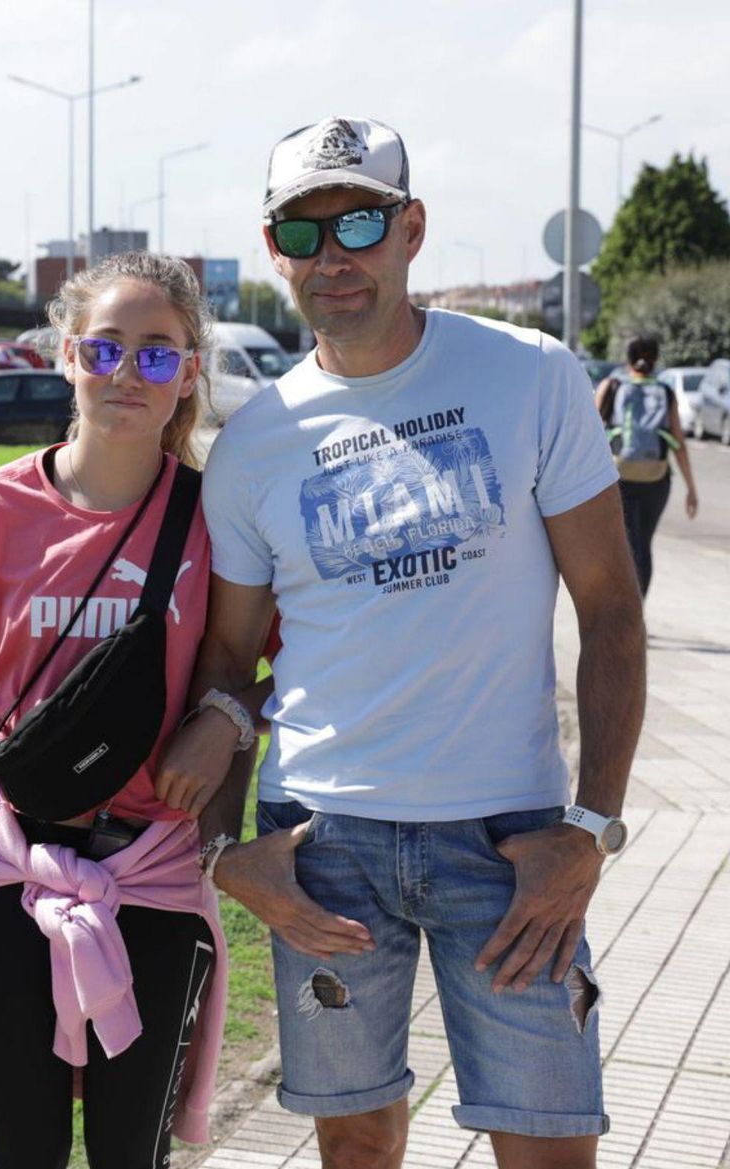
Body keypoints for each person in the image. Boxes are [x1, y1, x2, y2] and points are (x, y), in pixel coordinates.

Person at [156, 115, 647, 1169]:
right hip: (323, 845)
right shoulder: (254, 446)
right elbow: (228, 668)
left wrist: (591, 827)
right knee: (358, 1144)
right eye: (303, 233)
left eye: (362, 221)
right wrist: (228, 853)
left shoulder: (532, 375)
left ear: (412, 228)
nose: (333, 257)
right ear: (274, 246)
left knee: (549, 1144)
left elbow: (610, 606)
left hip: (510, 845)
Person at [0, 252, 229, 1169]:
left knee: (133, 1154)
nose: (129, 373)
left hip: (155, 877)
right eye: (107, 349)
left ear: (189, 373)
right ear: (67, 356)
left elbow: (272, 664)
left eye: (159, 355)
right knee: (23, 1151)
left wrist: (230, 717)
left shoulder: (217, 519)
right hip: (10, 876)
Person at [595, 335, 699, 595]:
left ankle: (625, 613)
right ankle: (638, 611)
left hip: (619, 477)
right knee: (644, 545)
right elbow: (679, 444)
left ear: (628, 359)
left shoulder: (612, 385)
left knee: (625, 545)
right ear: (655, 360)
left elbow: (591, 435)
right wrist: (691, 488)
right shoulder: (665, 391)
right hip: (656, 480)